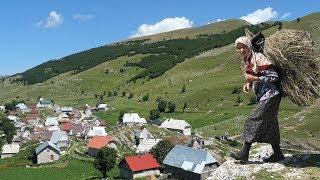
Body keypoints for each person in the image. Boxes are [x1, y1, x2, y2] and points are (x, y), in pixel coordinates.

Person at [230, 36, 285, 163]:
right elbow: (253, 75)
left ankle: (244, 153)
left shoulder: (259, 57)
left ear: (249, 46)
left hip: (271, 95)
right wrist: (248, 83)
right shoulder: (248, 60)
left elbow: (273, 77)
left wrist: (255, 79)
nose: (241, 50)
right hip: (265, 96)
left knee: (252, 119)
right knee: (271, 125)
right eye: (238, 48)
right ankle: (278, 154)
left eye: (243, 47)